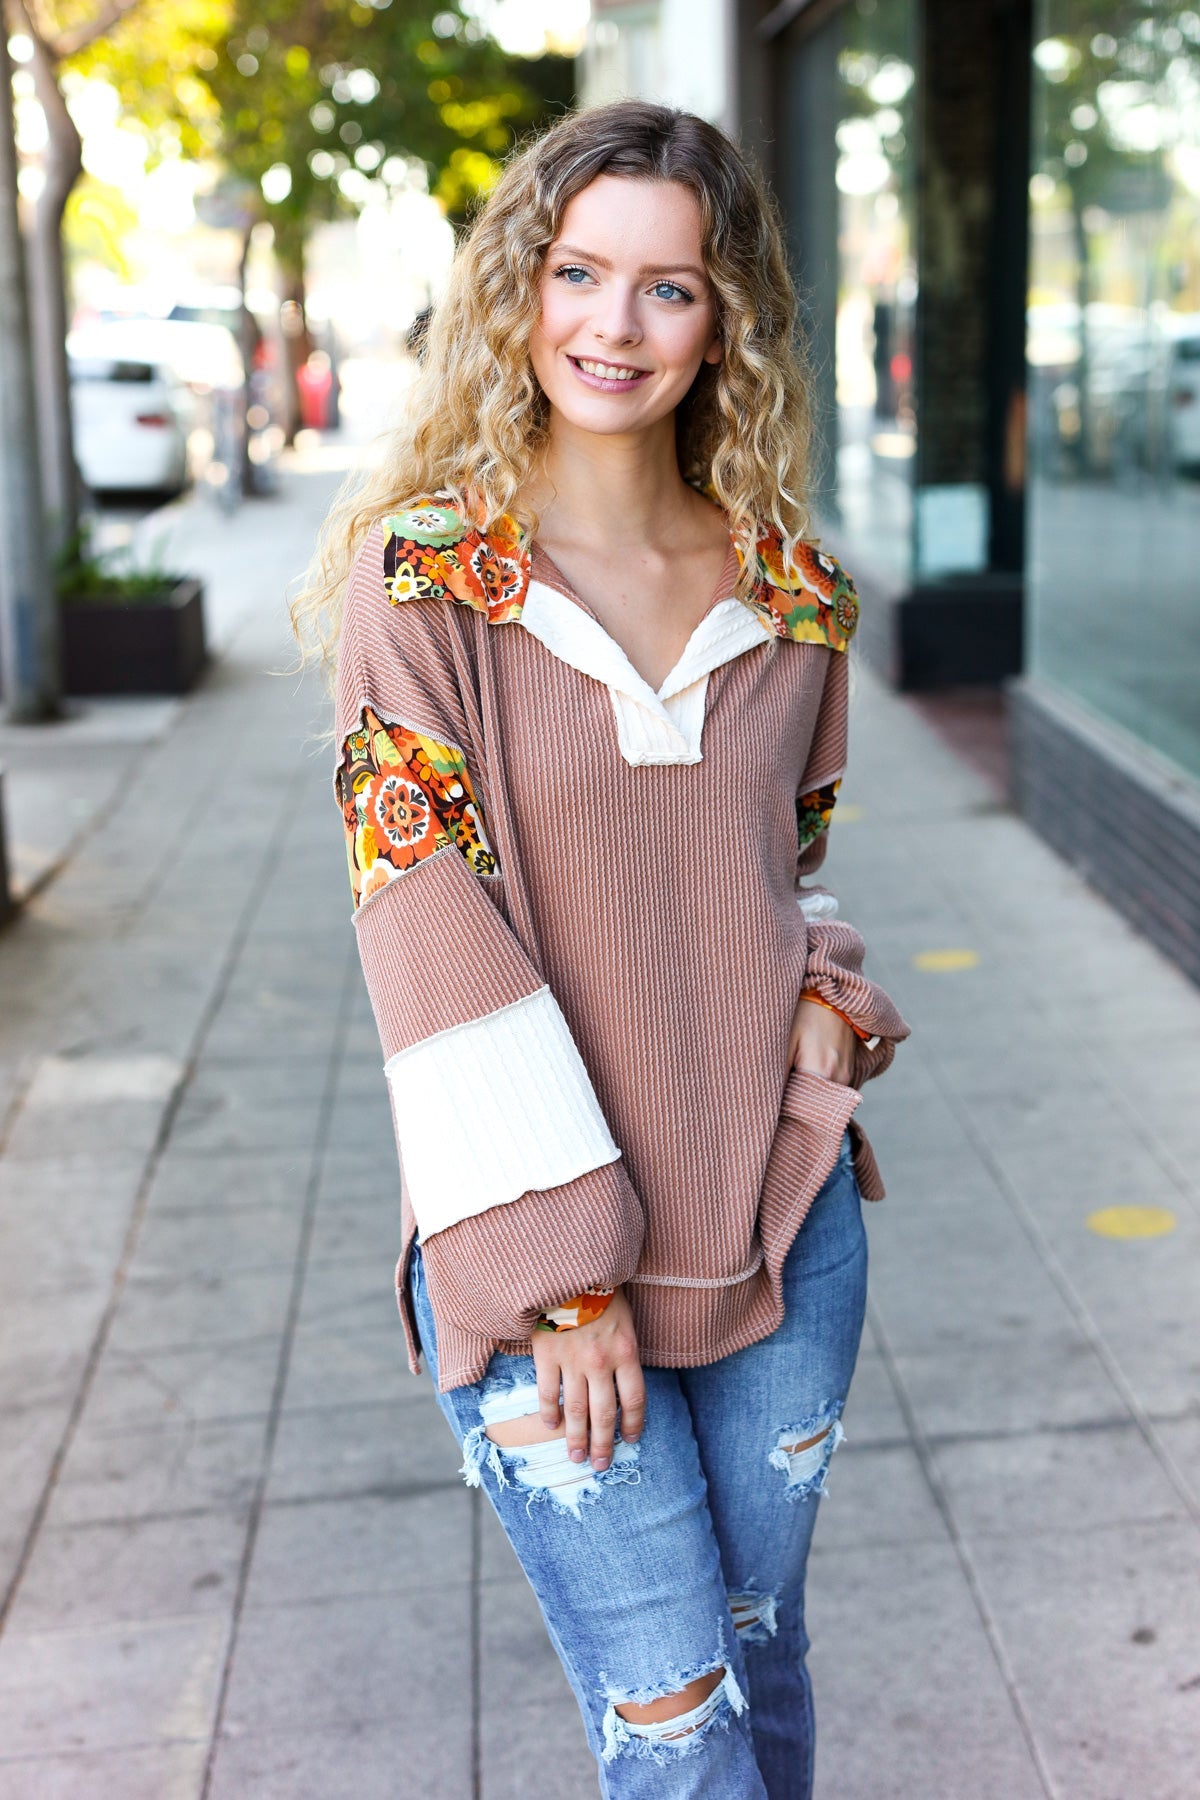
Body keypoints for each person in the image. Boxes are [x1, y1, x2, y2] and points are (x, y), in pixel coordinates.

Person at [297, 99, 909, 1799]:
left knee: (761, 1670)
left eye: (670, 289)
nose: (613, 327)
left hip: (773, 1228)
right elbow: (426, 922)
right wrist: (563, 1272)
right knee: (675, 1729)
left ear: (729, 319)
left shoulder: (794, 591)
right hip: (536, 1260)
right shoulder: (425, 589)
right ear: (519, 288)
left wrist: (820, 1008)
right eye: (578, 273)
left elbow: (777, 872)